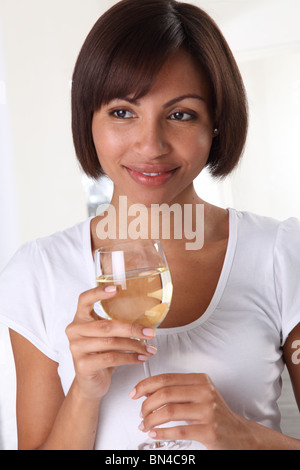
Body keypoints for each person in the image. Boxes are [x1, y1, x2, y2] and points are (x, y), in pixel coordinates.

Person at [0, 0, 300, 450]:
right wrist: (85, 391)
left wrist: (245, 437)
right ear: (89, 119)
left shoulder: (280, 254)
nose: (150, 144)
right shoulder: (38, 272)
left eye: (181, 114)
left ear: (215, 123)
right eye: (122, 112)